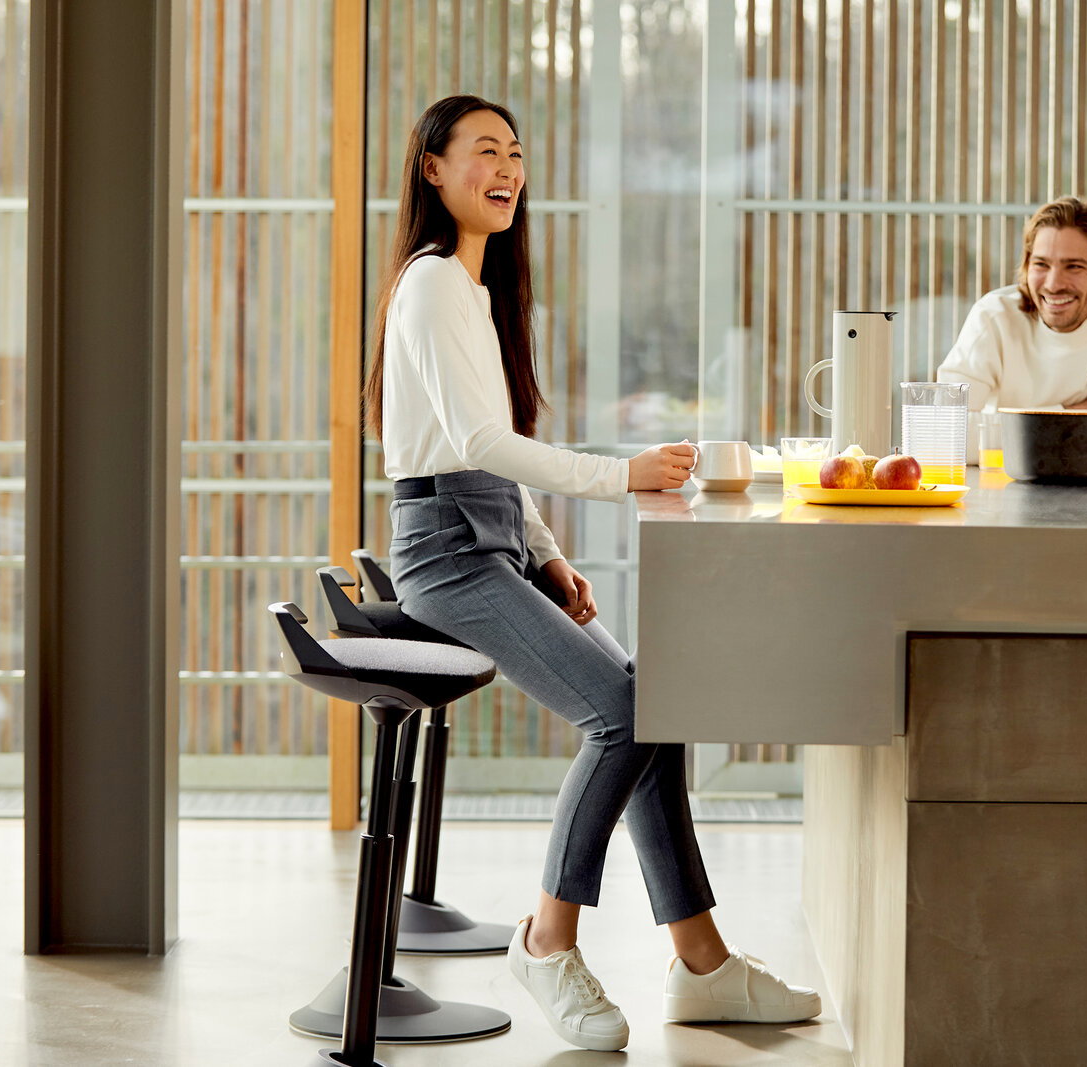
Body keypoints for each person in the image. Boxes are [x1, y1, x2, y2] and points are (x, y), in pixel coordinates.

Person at [365, 94, 821, 1053]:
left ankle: (701, 963)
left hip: (488, 535)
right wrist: (623, 477)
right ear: (432, 169)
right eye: (484, 151)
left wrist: (548, 551)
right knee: (620, 709)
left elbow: (493, 448)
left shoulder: (474, 291)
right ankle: (546, 938)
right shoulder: (434, 282)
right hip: (444, 552)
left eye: (517, 154)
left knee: (651, 699)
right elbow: (476, 444)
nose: (507, 169)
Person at [937, 196, 1087, 458]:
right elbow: (943, 435)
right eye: (1041, 264)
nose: (1054, 284)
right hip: (1006, 485)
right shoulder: (994, 316)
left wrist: (1007, 431)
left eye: (1074, 266)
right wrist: (1076, 413)